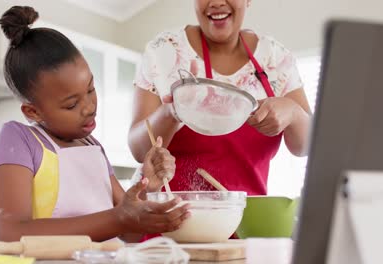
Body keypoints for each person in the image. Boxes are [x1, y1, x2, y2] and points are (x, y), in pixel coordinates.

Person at [0, 6, 190, 242]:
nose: (89, 107)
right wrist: (119, 218)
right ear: (33, 112)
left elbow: (130, 233)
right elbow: (10, 232)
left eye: (91, 90)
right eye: (71, 104)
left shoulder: (92, 146)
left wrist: (147, 186)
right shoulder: (19, 139)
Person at [128, 0, 312, 195]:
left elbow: (305, 146)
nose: (216, 2)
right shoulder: (164, 51)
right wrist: (173, 111)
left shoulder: (276, 58)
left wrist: (294, 113)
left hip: (245, 218)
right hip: (170, 215)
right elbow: (139, 151)